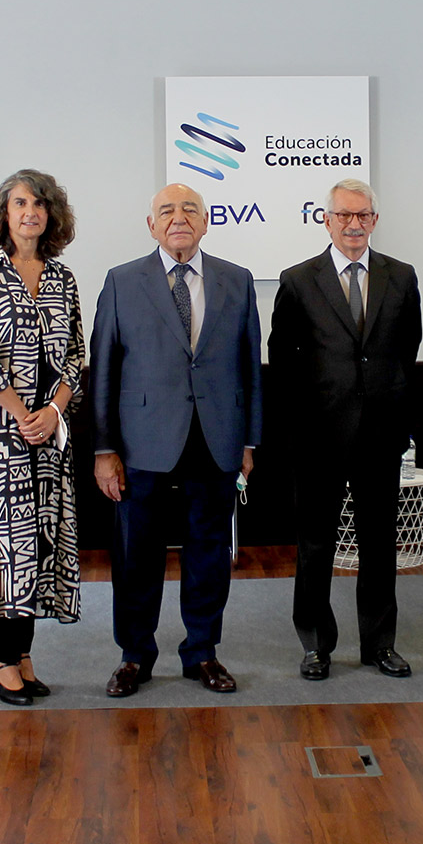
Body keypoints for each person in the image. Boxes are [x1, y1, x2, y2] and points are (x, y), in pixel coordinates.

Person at [92, 183, 263, 697]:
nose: (179, 217)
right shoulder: (122, 281)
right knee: (136, 555)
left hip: (216, 438)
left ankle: (203, 652)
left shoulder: (237, 280)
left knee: (208, 552)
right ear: (151, 225)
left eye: (190, 209)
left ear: (206, 222)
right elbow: (104, 369)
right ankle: (134, 656)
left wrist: (249, 442)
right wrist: (104, 449)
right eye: (166, 210)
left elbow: (250, 366)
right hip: (141, 443)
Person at [269, 178, 423, 681]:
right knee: (315, 544)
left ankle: (380, 644)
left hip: (380, 434)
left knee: (379, 544)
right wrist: (299, 425)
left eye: (363, 216)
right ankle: (316, 644)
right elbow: (282, 359)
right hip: (318, 437)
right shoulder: (298, 280)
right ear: (327, 220)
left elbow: (406, 351)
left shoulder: (401, 277)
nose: (354, 224)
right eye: (344, 216)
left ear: (374, 220)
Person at [0, 170, 83, 705]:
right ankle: (2, 661)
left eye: (39, 204)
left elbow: (76, 353)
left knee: (39, 543)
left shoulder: (63, 278)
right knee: (6, 545)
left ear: (51, 215)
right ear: (3, 214)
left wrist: (52, 411)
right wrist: (22, 414)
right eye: (19, 203)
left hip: (48, 433)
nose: (30, 211)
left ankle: (24, 656)